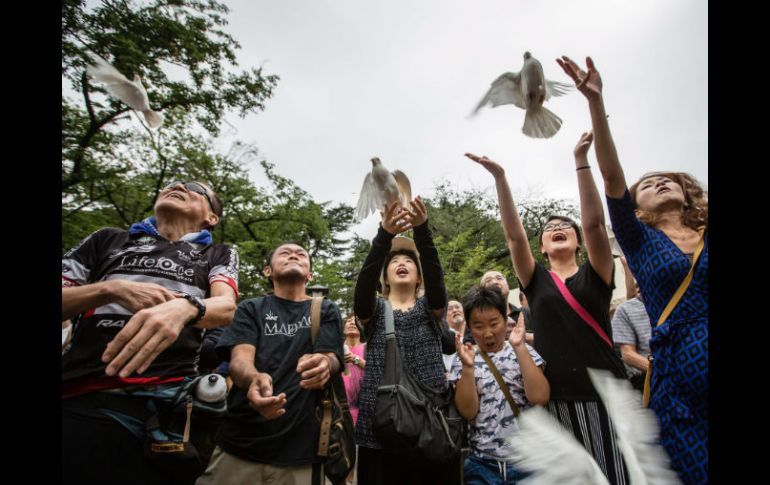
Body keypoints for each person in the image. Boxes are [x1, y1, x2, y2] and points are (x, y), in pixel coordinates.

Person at [557, 55, 708, 484]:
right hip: (681, 382)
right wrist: (595, 104)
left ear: (687, 191)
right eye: (647, 184)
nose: (660, 183)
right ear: (637, 209)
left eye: (669, 180)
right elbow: (611, 176)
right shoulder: (640, 241)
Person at [467, 131, 629, 485]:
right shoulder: (536, 280)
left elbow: (595, 224)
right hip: (555, 397)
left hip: (603, 395)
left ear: (578, 241)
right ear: (541, 247)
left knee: (613, 477)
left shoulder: (597, 274)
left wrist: (581, 163)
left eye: (565, 226)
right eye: (550, 228)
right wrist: (500, 178)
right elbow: (513, 236)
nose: (558, 228)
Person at [62, 180, 239, 485]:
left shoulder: (218, 254)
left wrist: (187, 308)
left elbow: (225, 307)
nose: (178, 185)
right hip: (81, 400)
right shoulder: (106, 240)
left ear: (211, 217)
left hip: (163, 420)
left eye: (194, 186)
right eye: (172, 184)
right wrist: (110, 289)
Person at [197, 242, 344, 485]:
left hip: (303, 450)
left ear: (310, 275)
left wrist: (324, 364)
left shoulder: (325, 309)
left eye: (301, 254)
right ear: (268, 271)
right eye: (285, 253)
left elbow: (331, 357)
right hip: (240, 443)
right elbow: (240, 361)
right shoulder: (250, 308)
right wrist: (253, 379)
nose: (294, 255)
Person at [353, 198, 460, 485]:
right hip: (381, 426)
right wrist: (384, 235)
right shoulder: (373, 311)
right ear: (384, 277)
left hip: (430, 425)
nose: (402, 263)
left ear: (418, 276)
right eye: (395, 261)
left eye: (409, 261)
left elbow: (437, 282)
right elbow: (363, 288)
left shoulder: (431, 309)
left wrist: (422, 230)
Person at [449, 286, 548, 484]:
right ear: (468, 326)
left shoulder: (523, 350)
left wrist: (519, 347)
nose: (487, 333)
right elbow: (468, 412)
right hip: (482, 464)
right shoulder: (464, 359)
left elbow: (540, 397)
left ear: (505, 318)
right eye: (478, 326)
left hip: (528, 462)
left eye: (494, 323)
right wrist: (468, 368)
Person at [342, 314, 367, 425]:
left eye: (355, 321)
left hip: (365, 411)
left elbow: (375, 369)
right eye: (348, 321)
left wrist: (354, 358)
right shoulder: (335, 349)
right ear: (343, 329)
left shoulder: (368, 347)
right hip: (341, 411)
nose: (352, 323)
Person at [442, 299, 466, 371]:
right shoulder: (443, 338)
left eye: (457, 307)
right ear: (444, 317)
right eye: (450, 309)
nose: (455, 310)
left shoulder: (475, 332)